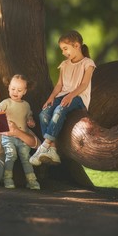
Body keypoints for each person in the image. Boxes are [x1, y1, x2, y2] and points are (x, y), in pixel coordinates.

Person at [30, 30, 96, 166]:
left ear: (77, 45)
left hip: (78, 97)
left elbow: (84, 85)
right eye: (62, 49)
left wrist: (71, 96)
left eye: (65, 49)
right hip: (63, 95)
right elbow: (59, 85)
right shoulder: (65, 65)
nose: (63, 52)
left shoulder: (88, 63)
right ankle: (52, 150)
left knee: (59, 110)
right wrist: (51, 97)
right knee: (44, 113)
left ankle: (44, 146)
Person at [0, 74, 40, 190]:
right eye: (13, 89)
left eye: (19, 90)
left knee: (26, 157)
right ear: (8, 88)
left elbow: (29, 116)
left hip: (22, 136)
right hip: (8, 136)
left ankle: (31, 180)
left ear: (25, 91)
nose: (15, 92)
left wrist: (30, 121)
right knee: (11, 154)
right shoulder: (6, 103)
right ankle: (7, 178)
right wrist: (1, 114)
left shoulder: (26, 105)